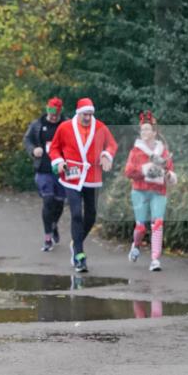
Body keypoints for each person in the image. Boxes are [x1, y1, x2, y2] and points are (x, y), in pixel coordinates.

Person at [49, 97, 118, 273]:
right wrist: (59, 161)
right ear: (78, 113)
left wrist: (106, 155)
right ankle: (79, 255)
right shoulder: (65, 127)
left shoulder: (100, 127)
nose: (88, 118)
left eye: (90, 114)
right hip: (71, 176)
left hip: (92, 175)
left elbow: (112, 145)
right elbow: (54, 148)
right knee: (76, 214)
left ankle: (76, 241)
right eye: (85, 114)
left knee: (92, 216)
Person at [124, 110, 177, 272]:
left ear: (155, 132)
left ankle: (155, 259)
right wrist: (146, 170)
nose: (145, 132)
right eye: (143, 129)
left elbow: (171, 171)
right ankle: (136, 244)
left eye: (148, 129)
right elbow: (128, 172)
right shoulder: (136, 151)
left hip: (159, 191)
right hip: (139, 191)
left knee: (158, 223)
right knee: (141, 227)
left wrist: (168, 175)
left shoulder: (163, 151)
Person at [23, 97, 66, 252]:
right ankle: (47, 237)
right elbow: (27, 140)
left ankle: (53, 224)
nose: (53, 117)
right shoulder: (37, 125)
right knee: (48, 201)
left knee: (59, 203)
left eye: (56, 114)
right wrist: (33, 150)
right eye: (51, 113)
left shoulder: (65, 125)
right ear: (47, 110)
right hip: (43, 169)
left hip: (62, 171)